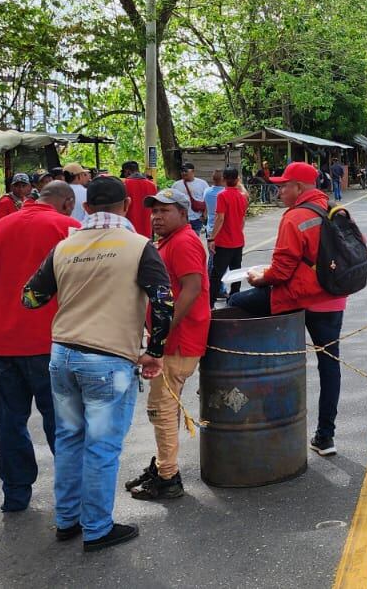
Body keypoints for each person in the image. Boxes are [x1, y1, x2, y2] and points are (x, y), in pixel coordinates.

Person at [21, 176, 173, 551]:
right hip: (107, 360)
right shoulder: (139, 247)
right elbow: (164, 302)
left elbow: (31, 298)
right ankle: (97, 528)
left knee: (69, 438)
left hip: (62, 356)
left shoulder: (64, 247)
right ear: (126, 207)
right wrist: (154, 350)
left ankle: (67, 520)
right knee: (102, 447)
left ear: (85, 208)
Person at [228, 162, 345, 457]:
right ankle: (325, 436)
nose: (279, 191)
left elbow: (280, 272)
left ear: (300, 188)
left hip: (297, 298)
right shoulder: (337, 211)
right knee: (329, 365)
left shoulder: (295, 218)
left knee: (236, 303)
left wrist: (258, 277)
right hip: (333, 300)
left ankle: (271, 422)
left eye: (283, 186)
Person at [0, 181, 76, 513]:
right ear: (67, 203)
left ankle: (15, 495)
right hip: (50, 340)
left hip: (4, 341)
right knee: (61, 420)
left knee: (11, 419)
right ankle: (71, 496)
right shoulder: (68, 227)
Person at [125, 189, 211, 501]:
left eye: (165, 211)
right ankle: (163, 465)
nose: (157, 217)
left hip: (178, 340)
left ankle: (168, 476)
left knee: (161, 408)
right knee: (165, 408)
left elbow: (192, 288)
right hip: (173, 338)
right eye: (154, 211)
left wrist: (161, 333)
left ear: (183, 214)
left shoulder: (184, 242)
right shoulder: (169, 241)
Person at [208, 166, 248, 305]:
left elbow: (220, 218)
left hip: (224, 242)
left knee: (216, 274)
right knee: (236, 272)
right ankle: (234, 300)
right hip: (238, 241)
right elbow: (242, 219)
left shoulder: (222, 195)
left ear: (224, 180)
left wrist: (212, 237)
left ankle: (210, 303)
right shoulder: (242, 197)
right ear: (237, 180)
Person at [169, 162, 211, 236]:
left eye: (186, 171)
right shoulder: (176, 185)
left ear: (193, 171)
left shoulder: (202, 183)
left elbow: (207, 200)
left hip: (196, 218)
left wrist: (204, 215)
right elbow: (171, 200)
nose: (183, 173)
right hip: (181, 218)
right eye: (182, 171)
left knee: (194, 239)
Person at [120, 161, 157, 237]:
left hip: (129, 230)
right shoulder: (152, 185)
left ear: (128, 171)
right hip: (148, 230)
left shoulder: (124, 184)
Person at [203, 170, 223, 236]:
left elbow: (205, 207)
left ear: (212, 178)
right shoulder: (225, 192)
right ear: (223, 179)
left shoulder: (206, 191)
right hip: (222, 227)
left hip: (210, 227)